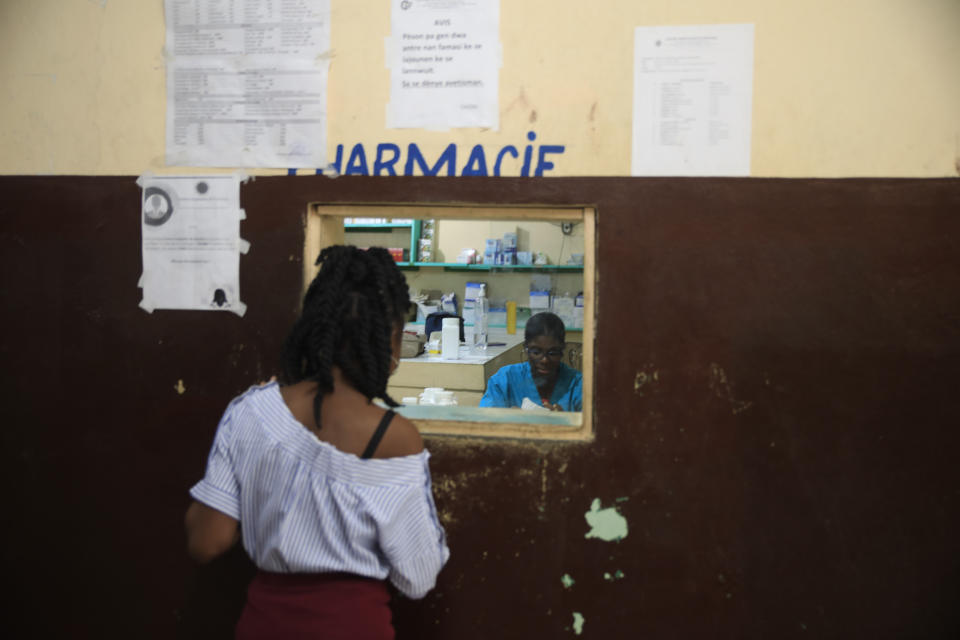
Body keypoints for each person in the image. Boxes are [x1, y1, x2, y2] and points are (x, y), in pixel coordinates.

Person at [185, 245, 449, 639]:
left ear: (313, 326)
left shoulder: (250, 411)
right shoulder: (394, 437)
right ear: (391, 341)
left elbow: (207, 541)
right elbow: (419, 577)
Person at [478, 311, 582, 412]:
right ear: (526, 349)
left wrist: (566, 420)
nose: (544, 360)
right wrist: (508, 416)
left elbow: (592, 424)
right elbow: (485, 420)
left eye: (552, 353)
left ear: (562, 350)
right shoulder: (505, 380)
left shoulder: (577, 384)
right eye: (536, 352)